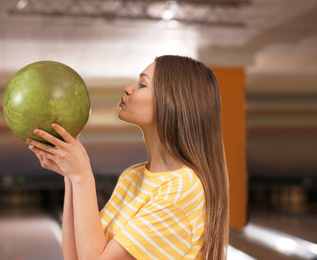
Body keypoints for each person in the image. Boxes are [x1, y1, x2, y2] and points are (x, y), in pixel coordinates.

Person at [27, 55, 229, 260]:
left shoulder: (182, 190)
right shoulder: (132, 176)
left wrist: (82, 176)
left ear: (173, 102)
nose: (128, 89)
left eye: (142, 84)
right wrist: (69, 176)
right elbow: (75, 258)